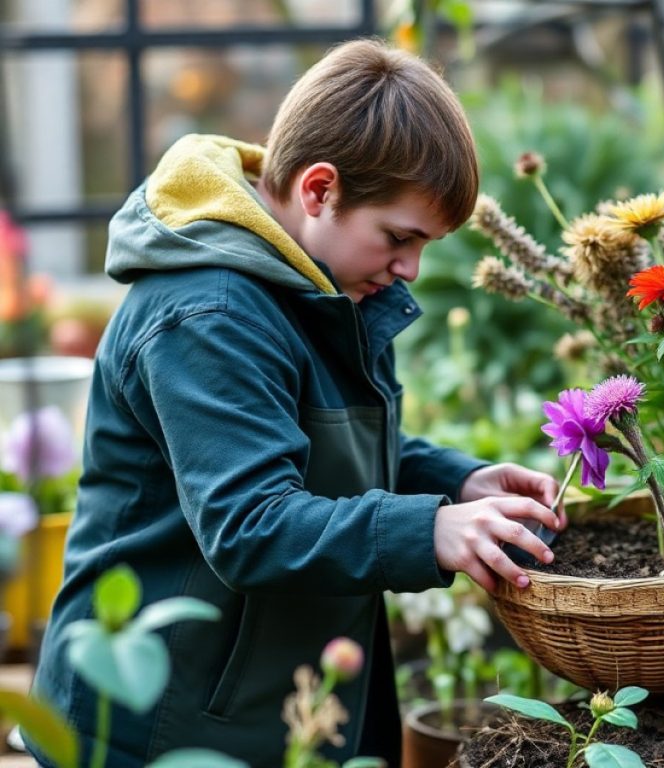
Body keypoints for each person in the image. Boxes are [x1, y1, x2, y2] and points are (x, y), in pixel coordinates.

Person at [27, 38, 562, 768]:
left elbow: (314, 450)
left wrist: (455, 483)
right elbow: (251, 522)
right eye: (399, 237)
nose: (410, 267)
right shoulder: (208, 315)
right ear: (318, 191)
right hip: (160, 724)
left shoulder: (323, 282)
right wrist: (431, 530)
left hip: (264, 707)